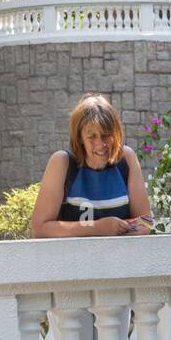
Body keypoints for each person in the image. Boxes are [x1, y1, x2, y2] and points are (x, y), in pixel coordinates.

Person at [31, 93, 154, 238]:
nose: (100, 144)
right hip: (72, 259)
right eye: (92, 136)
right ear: (80, 138)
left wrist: (118, 228)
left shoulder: (126, 159)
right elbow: (39, 228)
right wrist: (97, 228)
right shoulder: (62, 162)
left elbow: (146, 222)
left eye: (106, 135)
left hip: (118, 258)